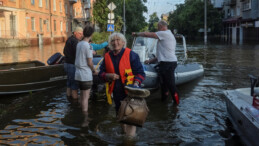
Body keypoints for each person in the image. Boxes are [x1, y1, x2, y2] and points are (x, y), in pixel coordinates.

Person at [98, 32, 145, 137]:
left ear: (123, 42)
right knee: (120, 116)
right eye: (113, 41)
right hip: (116, 92)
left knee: (131, 118)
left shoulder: (132, 55)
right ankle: (124, 134)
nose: (115, 42)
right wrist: (108, 75)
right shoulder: (107, 56)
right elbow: (100, 73)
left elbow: (141, 73)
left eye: (118, 40)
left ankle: (130, 140)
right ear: (110, 43)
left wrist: (136, 84)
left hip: (131, 92)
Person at [132, 20, 179, 105]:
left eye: (158, 27)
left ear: (161, 26)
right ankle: (164, 103)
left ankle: (176, 105)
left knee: (171, 85)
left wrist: (136, 34)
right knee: (164, 85)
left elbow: (147, 34)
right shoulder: (168, 35)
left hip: (168, 63)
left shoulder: (164, 33)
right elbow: (161, 55)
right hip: (167, 62)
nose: (157, 29)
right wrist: (150, 61)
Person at [74, 25, 98, 113]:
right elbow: (89, 62)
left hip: (78, 74)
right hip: (85, 75)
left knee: (82, 95)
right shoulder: (88, 46)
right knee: (85, 98)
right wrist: (94, 70)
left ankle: (81, 113)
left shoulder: (79, 44)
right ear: (91, 35)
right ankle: (85, 118)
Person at [63, 27, 83, 102]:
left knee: (69, 84)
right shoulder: (75, 42)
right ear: (75, 33)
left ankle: (69, 100)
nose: (81, 35)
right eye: (80, 34)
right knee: (74, 86)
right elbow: (78, 54)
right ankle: (75, 104)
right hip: (72, 65)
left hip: (66, 64)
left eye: (82, 34)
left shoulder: (69, 39)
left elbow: (64, 51)